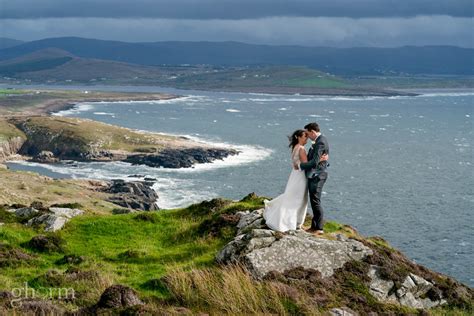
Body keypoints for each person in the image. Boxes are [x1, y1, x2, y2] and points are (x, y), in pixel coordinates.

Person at [263, 129, 309, 232]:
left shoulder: (295, 147)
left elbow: (296, 164)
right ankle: (293, 222)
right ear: (299, 137)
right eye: (305, 136)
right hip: (301, 176)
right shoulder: (301, 148)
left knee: (292, 196)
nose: (307, 138)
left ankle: (294, 221)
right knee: (299, 198)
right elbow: (306, 165)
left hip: (294, 174)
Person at [299, 122, 330, 235]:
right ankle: (314, 227)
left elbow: (314, 162)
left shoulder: (320, 141)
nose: (307, 136)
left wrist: (300, 166)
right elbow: (315, 159)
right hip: (316, 174)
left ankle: (319, 228)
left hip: (318, 175)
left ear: (312, 131)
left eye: (307, 133)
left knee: (316, 201)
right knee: (314, 200)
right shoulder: (319, 140)